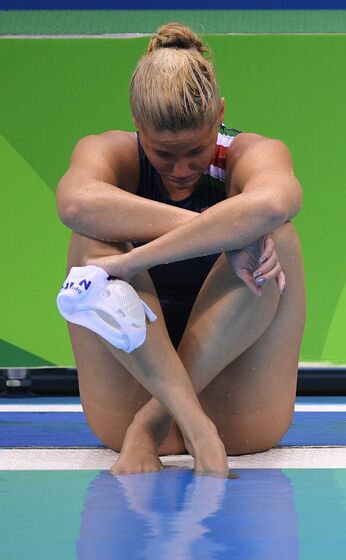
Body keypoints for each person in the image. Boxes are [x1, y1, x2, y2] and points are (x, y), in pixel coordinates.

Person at [55, 21, 305, 477]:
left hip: (237, 417)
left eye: (196, 150)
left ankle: (153, 426)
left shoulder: (252, 153)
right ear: (137, 125)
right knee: (90, 237)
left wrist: (137, 259)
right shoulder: (110, 153)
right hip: (127, 399)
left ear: (221, 115)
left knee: (277, 236)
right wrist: (226, 235)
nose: (182, 168)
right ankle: (187, 423)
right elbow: (73, 202)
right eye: (163, 153)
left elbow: (274, 201)